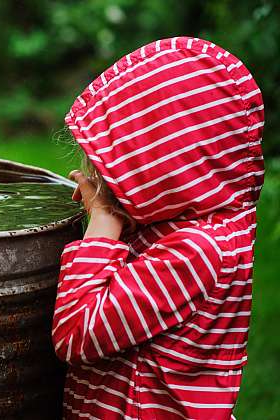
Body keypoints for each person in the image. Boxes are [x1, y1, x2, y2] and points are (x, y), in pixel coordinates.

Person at [52, 36, 264, 419]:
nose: (98, 174)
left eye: (116, 164)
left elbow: (76, 332)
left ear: (165, 164)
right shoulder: (189, 224)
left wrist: (102, 219)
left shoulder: (196, 250)